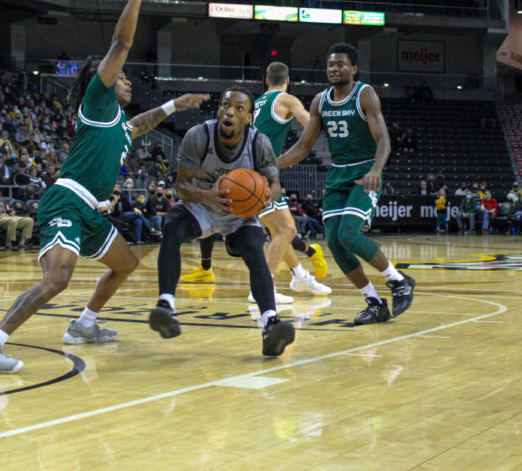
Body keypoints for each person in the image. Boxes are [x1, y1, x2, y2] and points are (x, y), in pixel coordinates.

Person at [0, 0, 210, 374]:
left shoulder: (117, 123)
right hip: (66, 202)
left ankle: (84, 325)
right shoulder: (97, 101)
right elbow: (122, 42)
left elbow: (140, 124)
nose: (127, 79)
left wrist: (175, 104)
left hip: (92, 211)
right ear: (104, 80)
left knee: (126, 264)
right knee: (57, 278)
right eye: (122, 76)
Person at [148, 87, 296, 357]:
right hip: (201, 204)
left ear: (248, 118)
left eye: (239, 108)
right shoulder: (198, 136)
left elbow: (275, 185)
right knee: (172, 225)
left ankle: (271, 323)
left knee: (255, 250)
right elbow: (181, 186)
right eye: (225, 105)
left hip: (238, 214)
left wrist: (266, 196)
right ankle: (166, 305)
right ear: (218, 110)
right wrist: (207, 195)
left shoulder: (258, 142)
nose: (230, 111)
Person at [278, 42, 415, 325]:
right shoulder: (319, 101)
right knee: (336, 243)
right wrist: (271, 164)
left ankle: (398, 280)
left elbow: (384, 141)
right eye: (330, 65)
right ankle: (374, 303)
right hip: (337, 175)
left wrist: (377, 169)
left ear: (353, 68)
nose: (334, 69)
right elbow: (304, 146)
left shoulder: (365, 94)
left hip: (364, 172)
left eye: (340, 64)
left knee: (349, 235)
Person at [181, 62, 330, 300]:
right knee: (286, 229)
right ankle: (263, 288)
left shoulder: (257, 103)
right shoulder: (286, 100)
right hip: (254, 177)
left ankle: (300, 277)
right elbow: (311, 124)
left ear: (267, 81)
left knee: (281, 230)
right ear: (287, 81)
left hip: (242, 171)